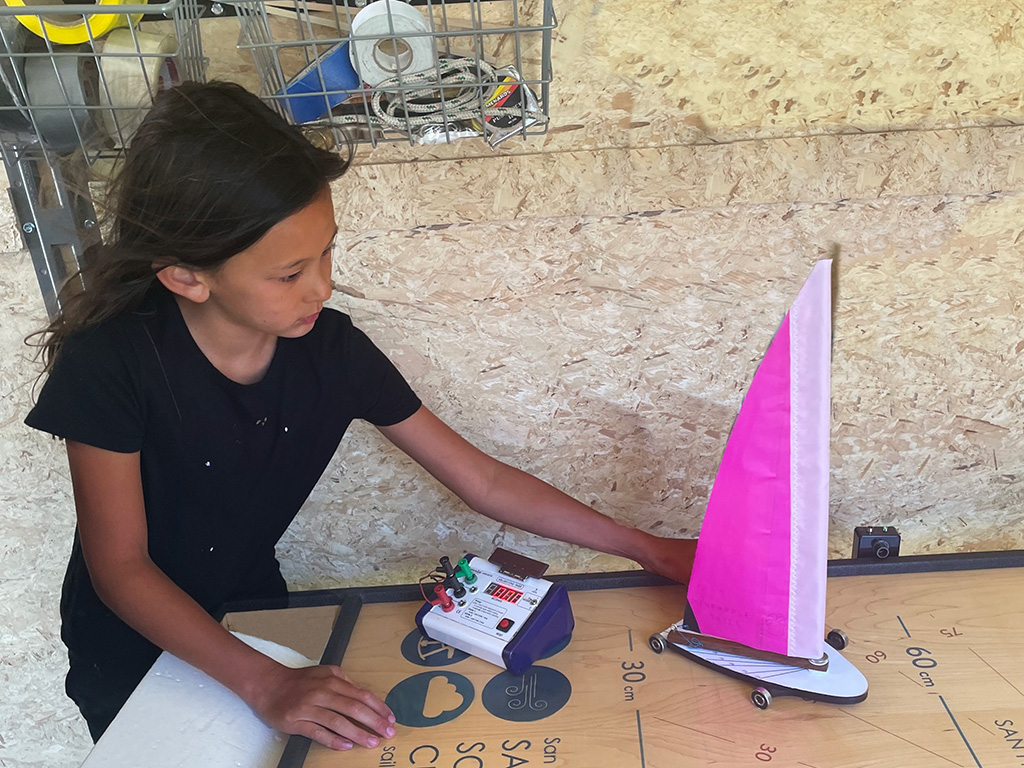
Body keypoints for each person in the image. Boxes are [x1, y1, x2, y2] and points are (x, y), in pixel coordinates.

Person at [25, 81, 695, 750]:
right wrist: (264, 685)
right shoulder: (112, 363)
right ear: (187, 277)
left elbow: (482, 481)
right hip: (133, 653)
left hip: (257, 614)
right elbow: (122, 569)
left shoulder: (331, 349)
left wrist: (647, 549)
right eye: (290, 273)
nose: (322, 285)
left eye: (327, 252)